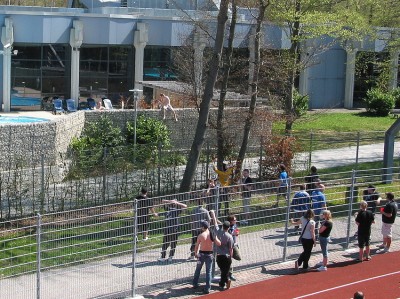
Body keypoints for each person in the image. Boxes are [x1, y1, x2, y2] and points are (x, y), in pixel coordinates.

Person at [192, 220, 220, 295]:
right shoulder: (212, 234)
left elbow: (197, 245)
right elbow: (219, 243)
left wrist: (195, 253)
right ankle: (207, 288)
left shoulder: (201, 235)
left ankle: (195, 284)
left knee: (198, 269)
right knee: (208, 272)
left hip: (201, 255)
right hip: (209, 255)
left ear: (203, 227)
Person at [215, 221, 234, 290]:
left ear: (223, 226)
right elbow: (230, 248)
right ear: (228, 228)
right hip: (226, 256)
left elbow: (216, 225)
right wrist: (231, 257)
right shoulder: (229, 236)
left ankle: (224, 282)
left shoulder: (218, 233)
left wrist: (214, 217)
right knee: (224, 271)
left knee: (223, 270)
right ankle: (224, 282)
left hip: (219, 256)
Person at [227, 214, 240, 281]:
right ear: (231, 221)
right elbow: (226, 235)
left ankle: (230, 273)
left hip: (234, 245)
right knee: (228, 260)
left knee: (238, 257)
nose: (236, 221)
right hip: (228, 246)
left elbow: (237, 231)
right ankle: (229, 274)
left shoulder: (235, 225)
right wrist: (232, 234)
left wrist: (237, 232)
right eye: (234, 220)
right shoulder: (227, 227)